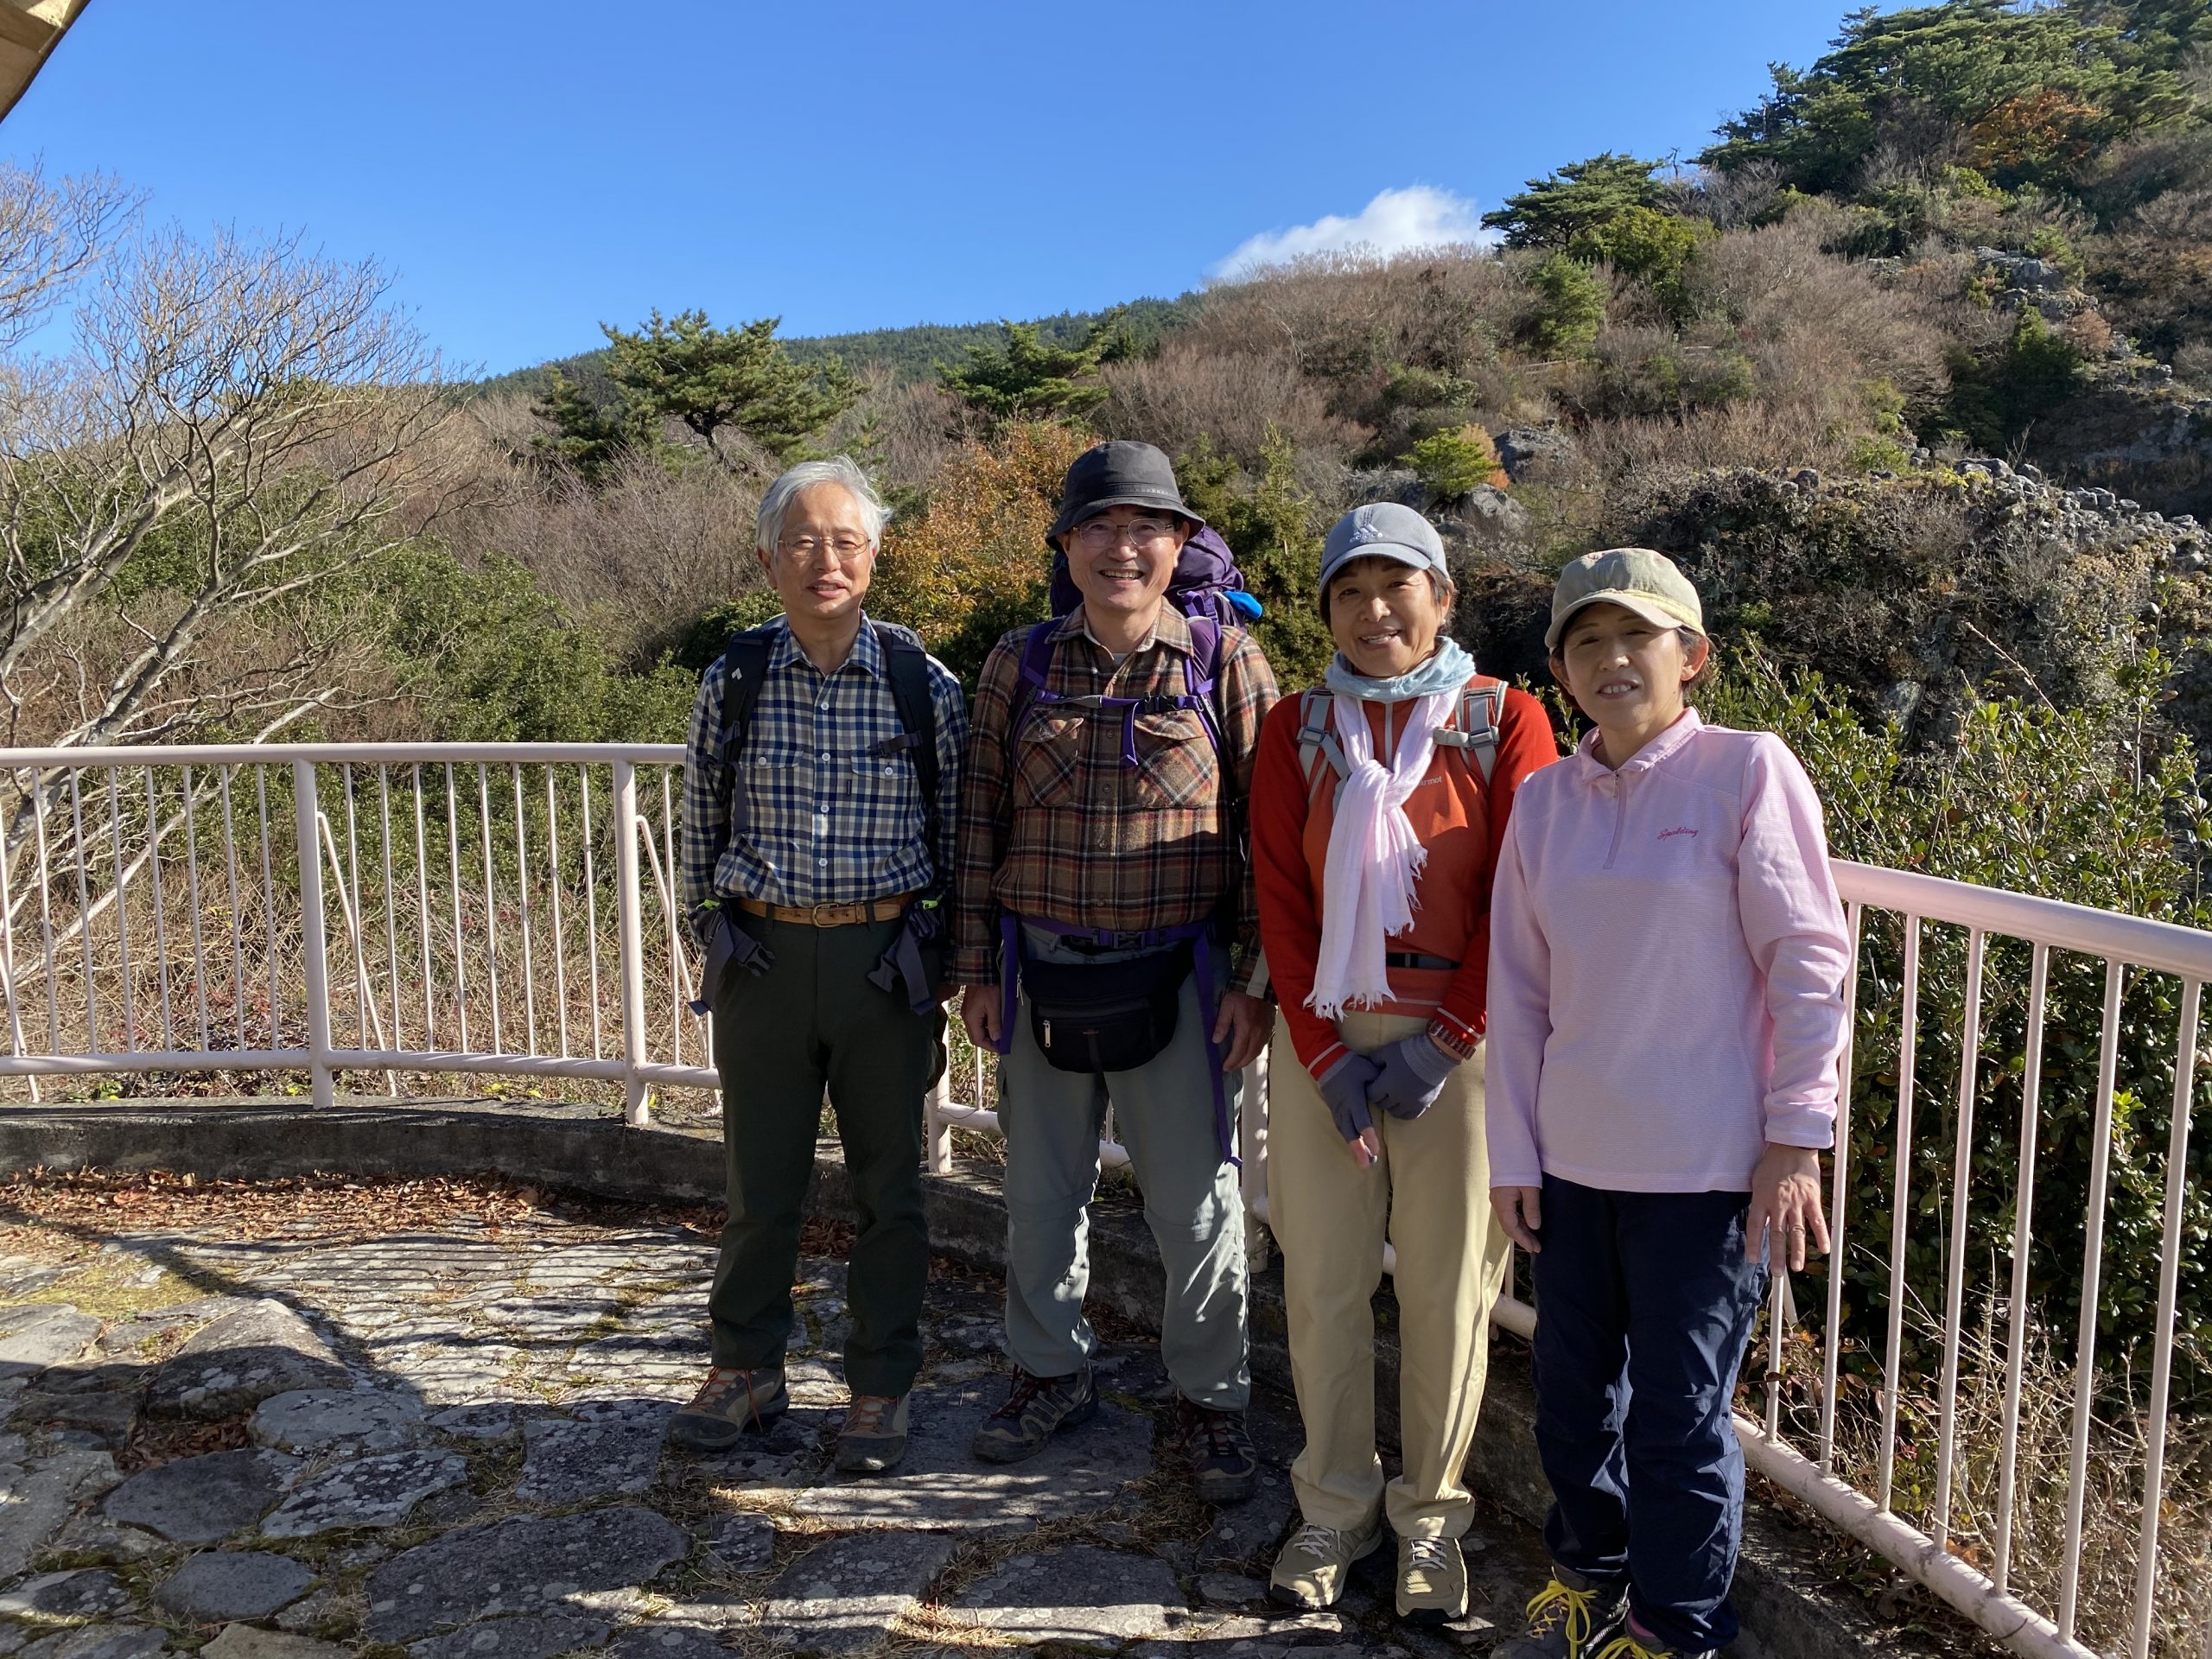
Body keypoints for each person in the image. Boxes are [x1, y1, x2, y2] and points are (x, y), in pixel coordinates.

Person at [1485, 549, 1849, 1659]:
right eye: (1585, 642)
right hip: (1573, 1162)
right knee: (1569, 1400)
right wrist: (1512, 1155)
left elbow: (1808, 958)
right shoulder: (1543, 800)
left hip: (1705, 1170)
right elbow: (1518, 991)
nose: (1612, 659)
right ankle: (1588, 1585)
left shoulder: (1746, 770)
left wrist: (1796, 1135)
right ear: (1559, 671)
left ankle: (1673, 1630)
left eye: (1636, 636)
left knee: (1678, 1417)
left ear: (1690, 656)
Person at [951, 440, 1278, 1501]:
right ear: (1065, 544)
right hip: (1038, 970)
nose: (1121, 548)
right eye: (1098, 526)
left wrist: (1253, 983)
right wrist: (976, 968)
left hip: (1182, 983)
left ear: (1179, 544)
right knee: (1041, 1197)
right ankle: (1049, 1373)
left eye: (1145, 528)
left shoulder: (1221, 661)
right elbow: (977, 818)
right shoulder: (1019, 663)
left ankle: (1210, 1400)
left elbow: (1268, 838)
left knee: (1195, 1210)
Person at [1249, 503, 1555, 1623]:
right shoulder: (1295, 729)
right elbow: (1281, 899)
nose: (1374, 610)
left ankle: (1432, 1519)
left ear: (1442, 597)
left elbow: (1522, 896)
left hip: (1458, 1051)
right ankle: (1333, 1507)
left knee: (1447, 1293)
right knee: (1323, 1283)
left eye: (1397, 586)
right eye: (1349, 591)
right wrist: (1322, 1054)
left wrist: (1447, 1041)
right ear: (1326, 609)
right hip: (1325, 1034)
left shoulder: (1506, 719)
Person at [670, 455, 968, 1476]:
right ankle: (745, 1367)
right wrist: (706, 936)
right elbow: (699, 824)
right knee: (759, 1185)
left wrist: (945, 958)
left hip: (884, 963)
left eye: (845, 541)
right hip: (762, 954)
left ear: (875, 555)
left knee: (893, 1188)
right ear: (768, 560)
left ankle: (882, 1384)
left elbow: (957, 834)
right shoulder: (734, 678)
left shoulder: (924, 685)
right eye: (802, 541)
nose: (824, 561)